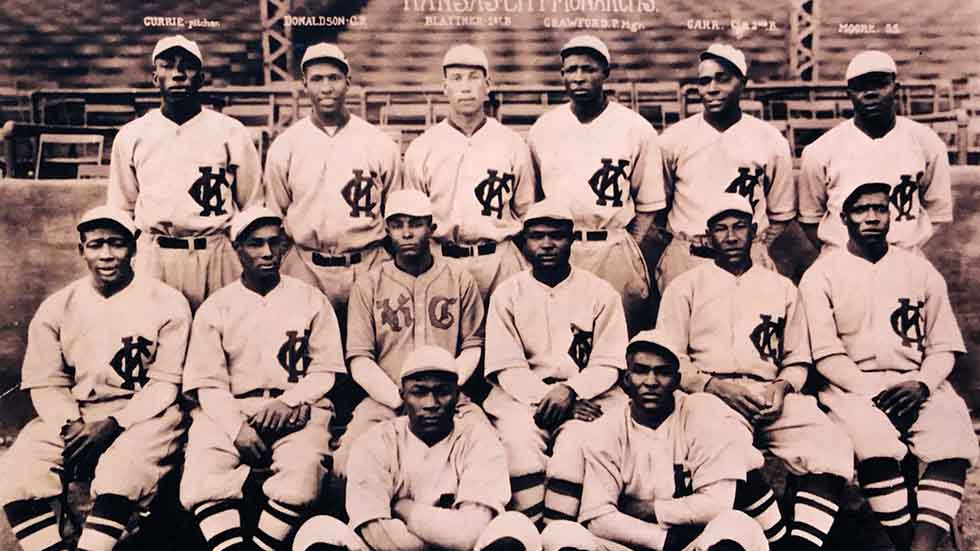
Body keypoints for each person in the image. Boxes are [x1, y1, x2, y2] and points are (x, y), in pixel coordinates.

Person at [657, 194, 854, 550]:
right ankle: (778, 541)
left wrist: (783, 387)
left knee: (833, 444)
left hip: (770, 393)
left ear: (754, 232)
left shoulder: (780, 287)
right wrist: (712, 385)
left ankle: (802, 547)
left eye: (739, 227)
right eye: (720, 229)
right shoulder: (685, 287)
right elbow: (671, 360)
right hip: (708, 395)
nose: (731, 237)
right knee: (728, 451)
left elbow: (797, 357)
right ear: (707, 236)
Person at [799, 182, 978, 551]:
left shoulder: (919, 270)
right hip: (851, 386)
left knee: (953, 438)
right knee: (873, 443)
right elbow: (825, 354)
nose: (872, 217)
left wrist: (924, 385)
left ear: (891, 214)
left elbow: (944, 346)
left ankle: (920, 548)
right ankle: (907, 544)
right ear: (843, 217)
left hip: (917, 383)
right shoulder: (822, 274)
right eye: (861, 209)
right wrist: (873, 392)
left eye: (880, 208)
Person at [0, 207, 191, 551]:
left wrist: (115, 423)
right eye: (96, 244)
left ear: (134, 248)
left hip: (144, 414)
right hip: (75, 413)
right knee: (19, 468)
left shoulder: (167, 302)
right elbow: (46, 381)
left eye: (116, 244)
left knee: (123, 471)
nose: (106, 254)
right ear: (81, 250)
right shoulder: (59, 306)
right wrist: (70, 424)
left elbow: (165, 383)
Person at [180, 207, 346, 551]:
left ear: (285, 245)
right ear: (236, 247)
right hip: (232, 408)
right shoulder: (217, 306)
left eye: (274, 243)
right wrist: (235, 428)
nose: (267, 253)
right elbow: (207, 383)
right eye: (255, 244)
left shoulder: (310, 298)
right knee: (203, 472)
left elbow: (326, 369)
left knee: (303, 473)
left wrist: (291, 401)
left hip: (298, 406)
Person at [292, 346, 542, 551]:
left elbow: (469, 533)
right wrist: (442, 532)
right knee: (318, 530)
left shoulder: (480, 440)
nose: (431, 404)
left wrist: (405, 509)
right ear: (402, 395)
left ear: (458, 395)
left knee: (517, 527)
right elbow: (374, 532)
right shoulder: (374, 442)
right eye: (419, 392)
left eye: (442, 392)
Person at [539, 329, 768, 551]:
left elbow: (717, 504)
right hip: (633, 544)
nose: (651, 381)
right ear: (626, 380)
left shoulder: (703, 413)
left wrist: (651, 509)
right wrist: (663, 540)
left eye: (663, 372)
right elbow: (598, 517)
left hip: (692, 544)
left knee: (738, 525)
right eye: (641, 371)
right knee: (559, 534)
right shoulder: (606, 429)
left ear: (677, 380)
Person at [484, 198, 630, 526]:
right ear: (524, 242)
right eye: (537, 236)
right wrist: (549, 399)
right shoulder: (507, 293)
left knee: (578, 443)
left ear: (572, 239)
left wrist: (571, 391)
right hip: (523, 397)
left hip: (588, 397)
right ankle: (529, 532)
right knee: (519, 443)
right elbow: (506, 366)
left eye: (557, 235)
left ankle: (559, 533)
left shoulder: (600, 292)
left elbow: (610, 361)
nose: (547, 244)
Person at [333, 190, 487, 477]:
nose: (406, 233)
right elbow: (359, 358)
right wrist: (398, 399)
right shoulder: (369, 284)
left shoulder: (459, 278)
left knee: (488, 448)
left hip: (451, 399)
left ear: (432, 228)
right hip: (385, 399)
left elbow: (472, 347)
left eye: (415, 224)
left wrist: (446, 393)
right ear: (387, 229)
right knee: (347, 461)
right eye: (397, 224)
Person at [107, 35, 263, 311]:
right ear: (155, 78)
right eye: (167, 65)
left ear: (202, 78)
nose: (177, 74)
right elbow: (122, 209)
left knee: (224, 339)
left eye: (187, 66)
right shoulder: (132, 135)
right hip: (155, 254)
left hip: (215, 252)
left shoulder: (231, 131)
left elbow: (251, 206)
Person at [526, 34, 662, 334]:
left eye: (588, 69)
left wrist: (624, 243)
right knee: (560, 337)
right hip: (562, 248)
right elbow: (534, 200)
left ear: (605, 73)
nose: (579, 78)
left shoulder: (635, 128)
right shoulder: (544, 128)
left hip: (612, 246)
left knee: (618, 336)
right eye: (571, 70)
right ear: (562, 75)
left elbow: (648, 204)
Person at [264, 42, 401, 333]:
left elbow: (395, 214)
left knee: (371, 350)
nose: (326, 87)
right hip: (305, 265)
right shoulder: (286, 145)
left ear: (347, 82)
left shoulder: (378, 143)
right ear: (304, 85)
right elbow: (275, 217)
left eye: (334, 78)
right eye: (317, 79)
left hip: (367, 262)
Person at [402, 43, 535, 303]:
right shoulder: (423, 146)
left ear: (488, 85)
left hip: (500, 260)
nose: (465, 86)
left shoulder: (512, 143)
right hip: (442, 259)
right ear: (445, 88)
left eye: (474, 77)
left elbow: (526, 212)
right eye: (456, 78)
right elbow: (414, 218)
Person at [656, 44, 794, 292]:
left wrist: (756, 245)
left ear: (743, 83)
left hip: (748, 259)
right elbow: (657, 208)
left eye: (723, 79)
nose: (712, 89)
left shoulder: (770, 140)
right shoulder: (673, 138)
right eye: (705, 81)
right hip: (689, 256)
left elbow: (781, 214)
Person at [799, 50, 953, 253]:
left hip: (905, 260)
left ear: (896, 88)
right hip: (842, 263)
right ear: (848, 94)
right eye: (860, 87)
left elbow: (937, 213)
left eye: (880, 84)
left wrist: (905, 251)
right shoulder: (820, 150)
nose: (870, 93)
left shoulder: (926, 142)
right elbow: (811, 218)